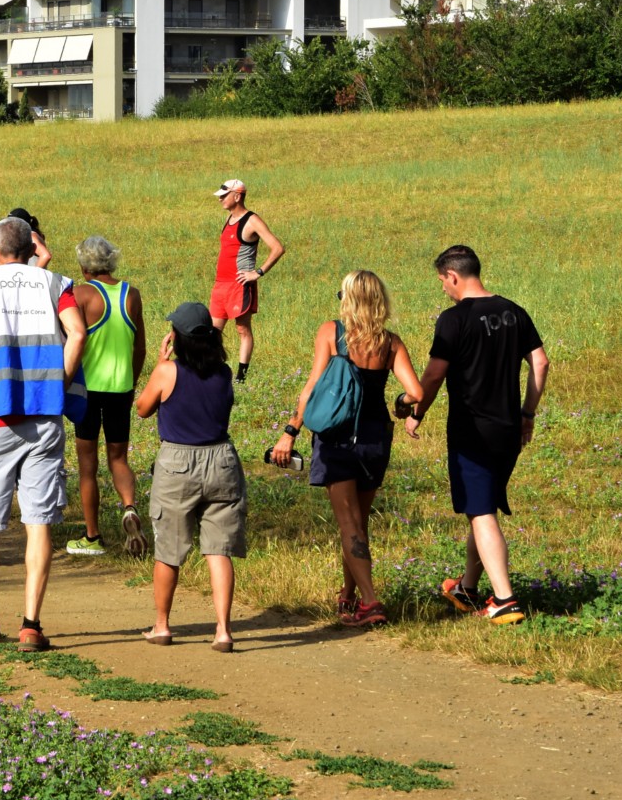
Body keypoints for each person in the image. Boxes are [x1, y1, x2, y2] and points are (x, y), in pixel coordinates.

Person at [0, 216, 88, 653]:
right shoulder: (54, 283)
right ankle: (31, 625)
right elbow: (77, 333)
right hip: (44, 416)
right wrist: (58, 382)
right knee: (38, 520)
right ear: (30, 248)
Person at [269, 271, 425, 627]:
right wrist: (401, 406)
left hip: (337, 438)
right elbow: (415, 392)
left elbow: (311, 386)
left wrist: (290, 432)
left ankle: (370, 603)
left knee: (348, 525)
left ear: (348, 299)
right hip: (374, 439)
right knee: (358, 524)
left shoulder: (331, 333)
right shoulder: (391, 343)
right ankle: (349, 595)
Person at [406, 245, 550, 625]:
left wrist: (416, 412)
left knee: (482, 512)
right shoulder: (513, 311)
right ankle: (468, 587)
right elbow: (541, 361)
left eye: (442, 281)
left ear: (453, 276)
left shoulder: (454, 319)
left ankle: (504, 599)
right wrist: (527, 412)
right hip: (508, 427)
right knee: (479, 506)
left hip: (473, 431)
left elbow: (434, 375)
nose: (443, 289)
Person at [135, 303, 247, 652]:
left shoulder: (168, 371)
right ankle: (224, 631)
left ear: (177, 338)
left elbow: (142, 408)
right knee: (219, 550)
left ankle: (162, 625)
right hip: (222, 461)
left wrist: (159, 362)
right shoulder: (225, 373)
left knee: (169, 548)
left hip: (177, 463)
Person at [66, 236, 149, 558]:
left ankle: (92, 536)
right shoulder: (132, 294)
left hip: (88, 390)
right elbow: (139, 347)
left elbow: (71, 342)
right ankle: (129, 507)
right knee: (119, 459)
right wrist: (131, 383)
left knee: (88, 465)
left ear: (85, 265)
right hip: (121, 387)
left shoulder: (81, 294)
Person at [208, 179, 285, 382]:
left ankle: (241, 378)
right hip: (220, 285)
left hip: (239, 285)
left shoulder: (252, 220)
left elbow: (277, 248)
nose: (221, 200)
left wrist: (258, 272)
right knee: (213, 333)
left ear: (237, 195)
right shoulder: (229, 219)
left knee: (242, 329)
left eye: (224, 196)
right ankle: (211, 373)